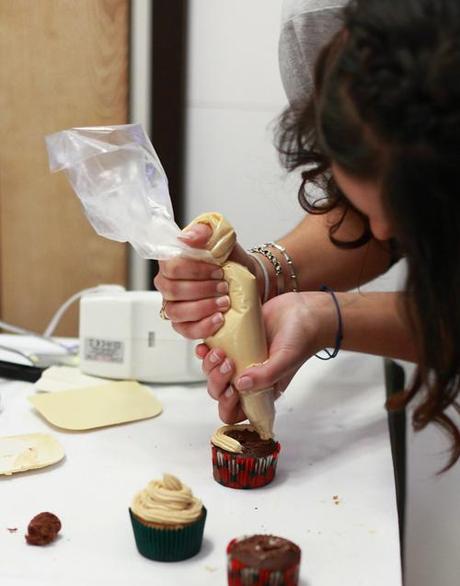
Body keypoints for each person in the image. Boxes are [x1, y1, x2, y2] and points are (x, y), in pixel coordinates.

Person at [154, 0, 460, 470]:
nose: (384, 231)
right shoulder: (321, 24)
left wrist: (329, 317)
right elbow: (376, 210)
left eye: (420, 213)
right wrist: (263, 275)